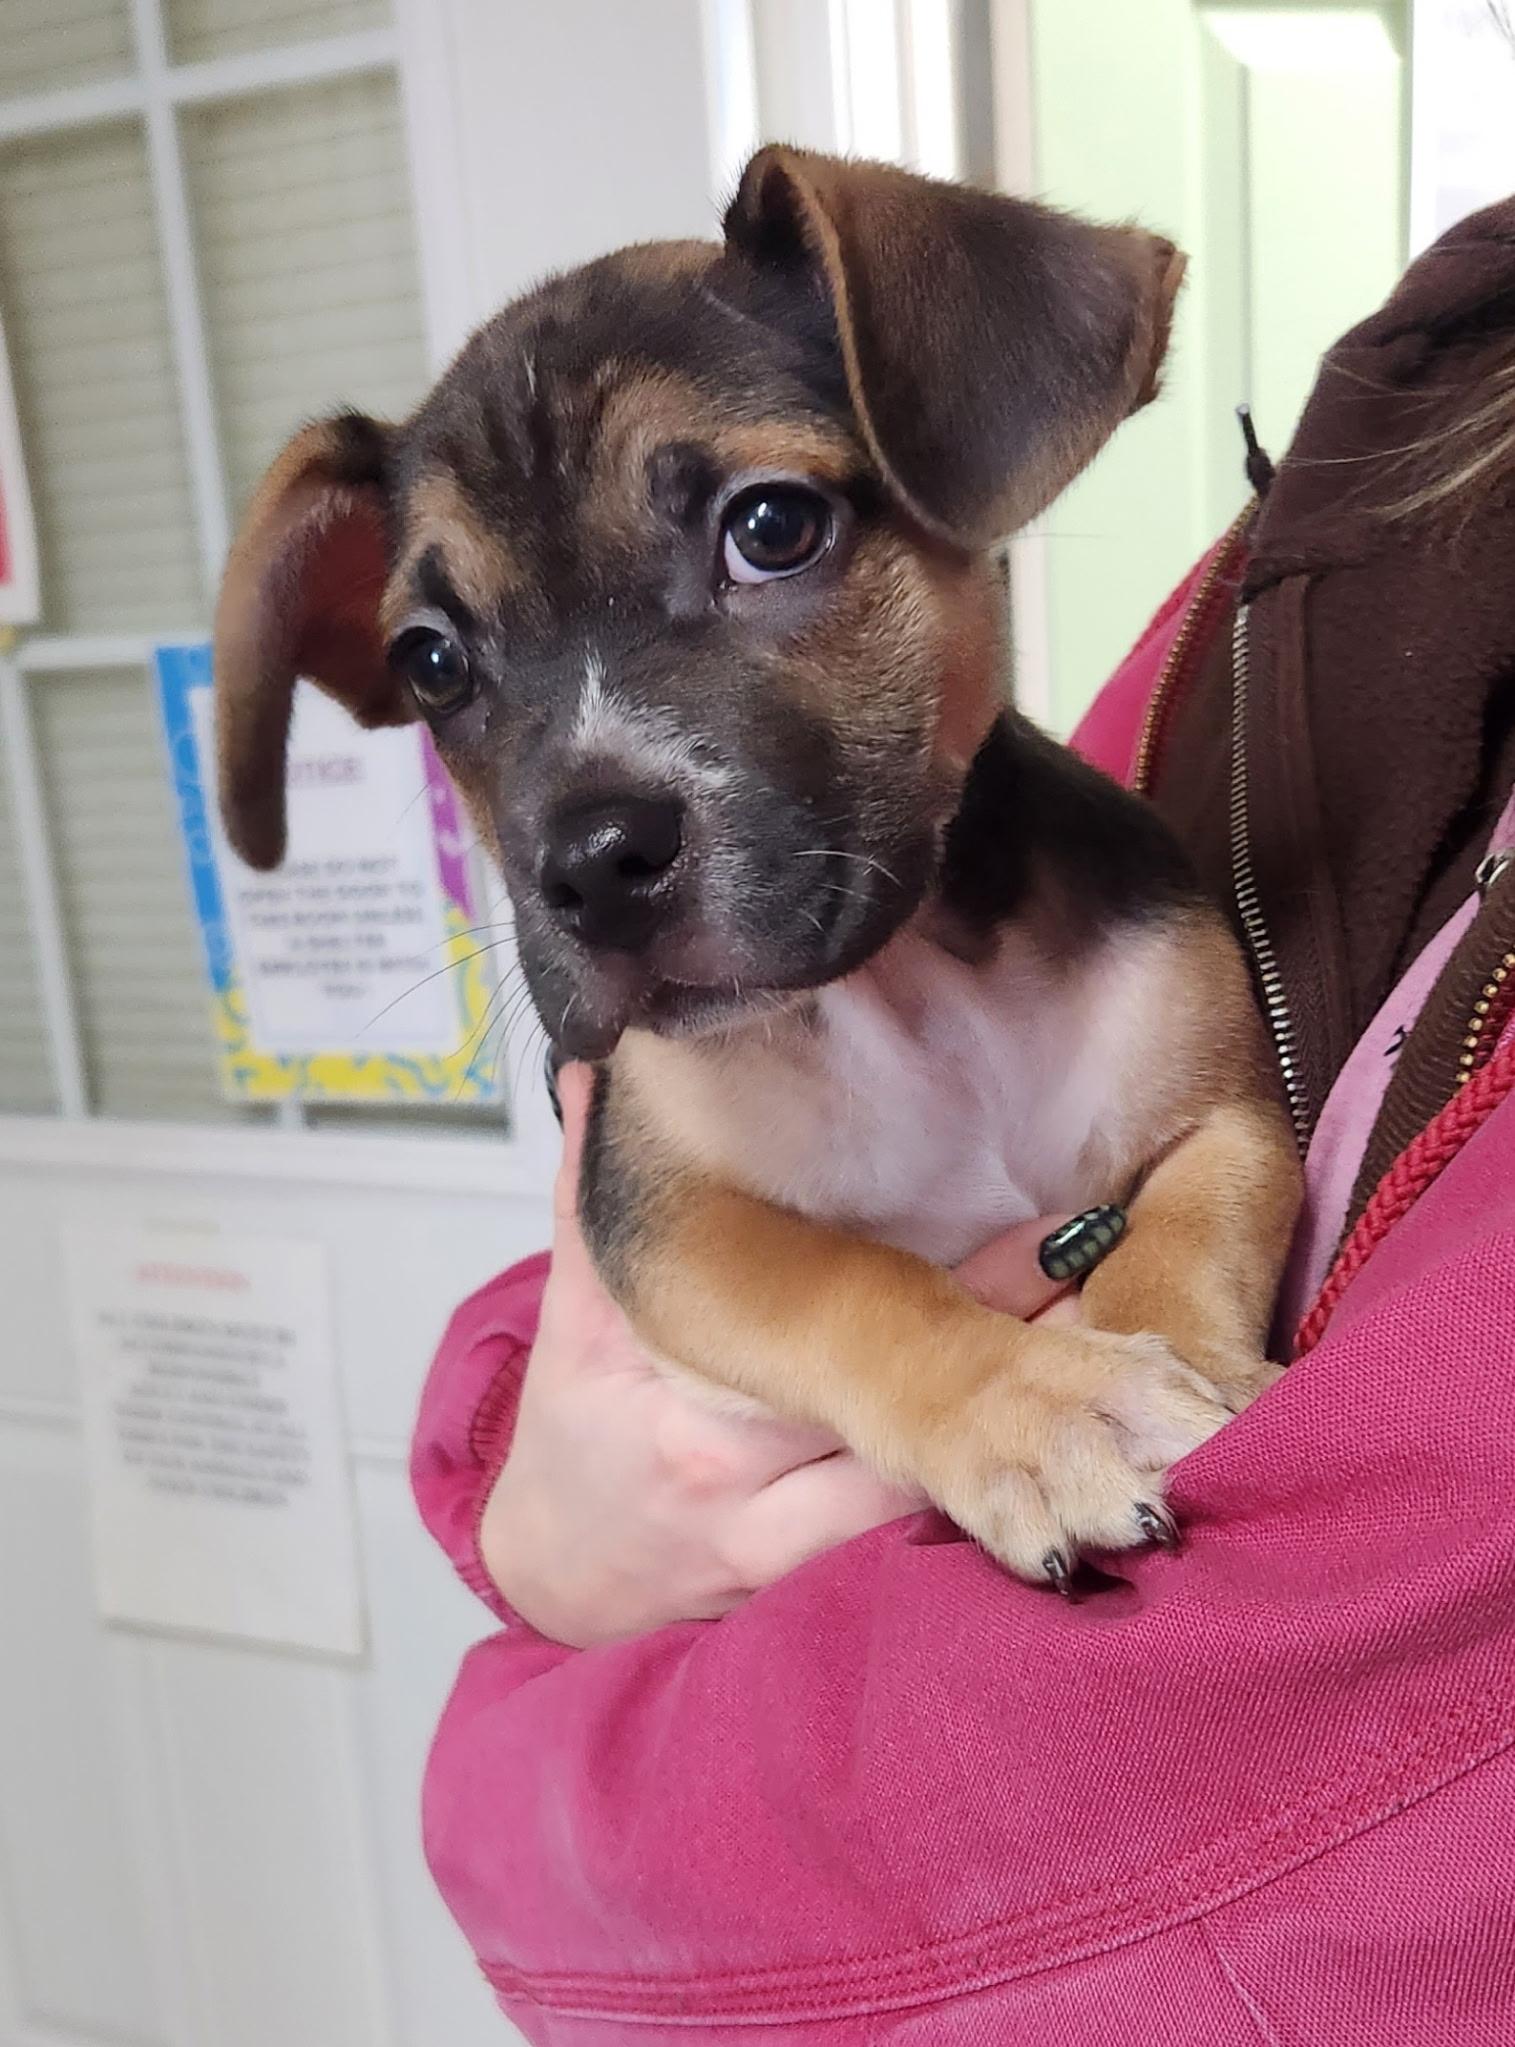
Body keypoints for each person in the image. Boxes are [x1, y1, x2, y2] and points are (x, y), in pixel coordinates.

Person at [411, 199, 1515, 2042]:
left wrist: (1156, 1321)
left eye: (766, 530)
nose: (579, 824)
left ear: (971, 421)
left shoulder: (1134, 940)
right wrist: (538, 1506)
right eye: (454, 667)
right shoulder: (1384, 474)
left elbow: (1220, 1141)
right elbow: (657, 1247)